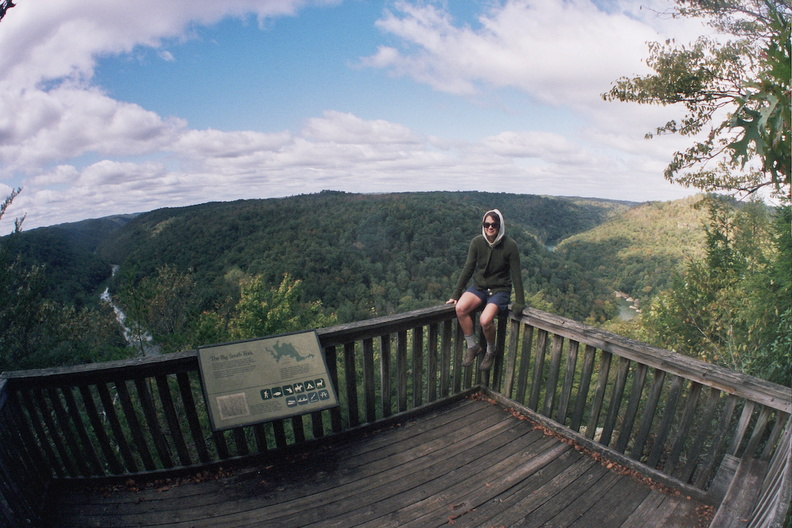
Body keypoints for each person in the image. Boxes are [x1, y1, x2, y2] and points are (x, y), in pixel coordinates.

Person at [446, 209, 525, 370]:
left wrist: (520, 301)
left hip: (499, 289)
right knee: (460, 308)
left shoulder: (510, 246)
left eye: (494, 224)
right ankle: (472, 346)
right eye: (487, 224)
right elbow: (468, 268)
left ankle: (490, 350)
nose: (490, 227)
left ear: (500, 225)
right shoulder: (477, 242)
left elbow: (516, 275)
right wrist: (456, 292)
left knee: (485, 320)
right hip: (479, 286)